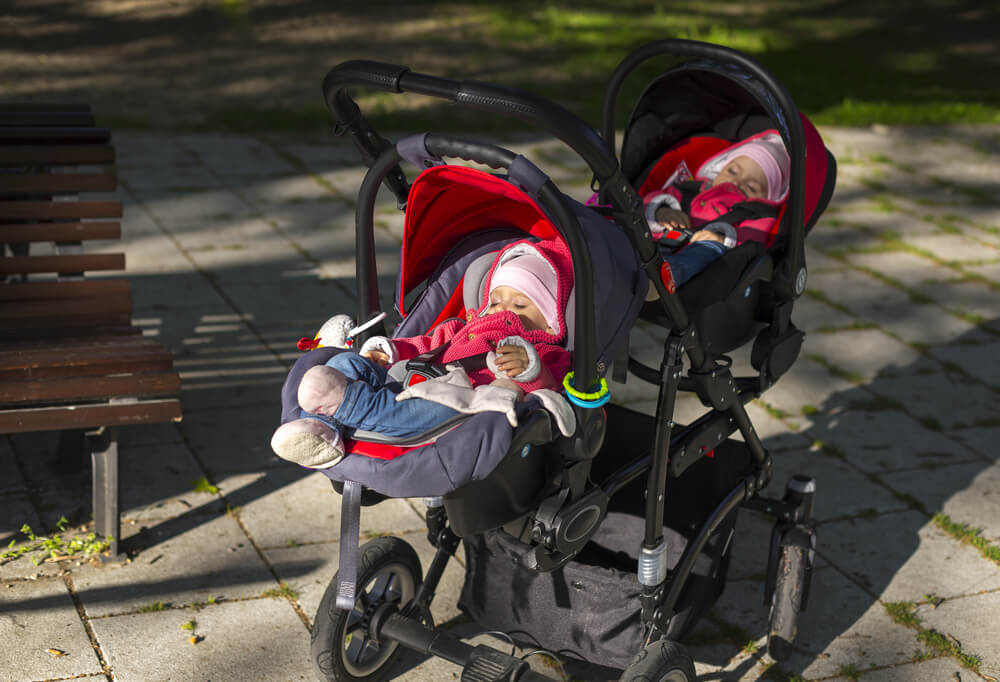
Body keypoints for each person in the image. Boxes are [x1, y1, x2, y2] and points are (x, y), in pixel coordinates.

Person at [270, 239, 573, 469]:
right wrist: (389, 350)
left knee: (402, 406)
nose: (503, 309)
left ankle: (344, 405)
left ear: (550, 320)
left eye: (520, 305)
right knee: (344, 363)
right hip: (410, 380)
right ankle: (322, 429)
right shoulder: (460, 329)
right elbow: (423, 346)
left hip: (459, 406)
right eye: (494, 301)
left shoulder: (542, 349)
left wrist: (530, 370)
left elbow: (550, 390)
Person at [642, 131, 790, 291]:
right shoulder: (693, 189)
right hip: (660, 243)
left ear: (767, 197)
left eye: (751, 187)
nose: (735, 182)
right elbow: (651, 199)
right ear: (721, 167)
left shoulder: (757, 215)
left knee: (707, 249)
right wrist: (661, 212)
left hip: (704, 266)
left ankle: (663, 279)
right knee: (639, 224)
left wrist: (721, 240)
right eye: (732, 171)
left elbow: (752, 244)